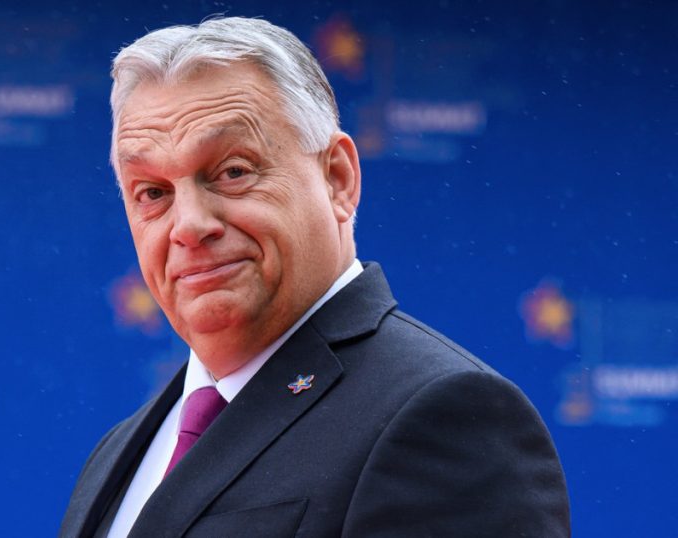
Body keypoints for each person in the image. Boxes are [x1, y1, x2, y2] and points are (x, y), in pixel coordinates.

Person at [60, 16, 570, 537]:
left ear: (337, 179)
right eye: (153, 193)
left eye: (233, 171)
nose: (188, 226)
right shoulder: (119, 452)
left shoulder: (447, 417)